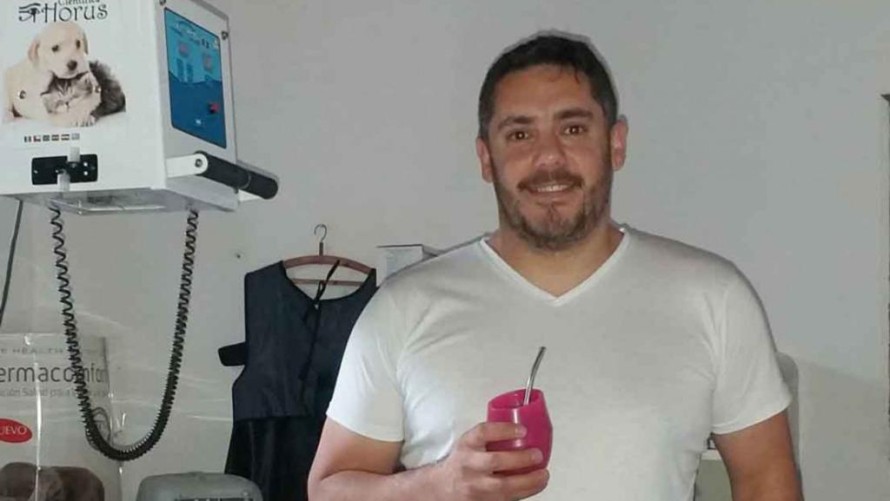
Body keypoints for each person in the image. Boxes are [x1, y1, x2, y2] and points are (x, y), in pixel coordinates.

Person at [307, 31, 801, 500]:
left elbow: (767, 482)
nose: (548, 157)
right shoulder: (403, 307)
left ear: (616, 143)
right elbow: (326, 489)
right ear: (486, 157)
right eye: (520, 133)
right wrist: (434, 488)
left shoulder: (714, 298)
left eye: (573, 128)